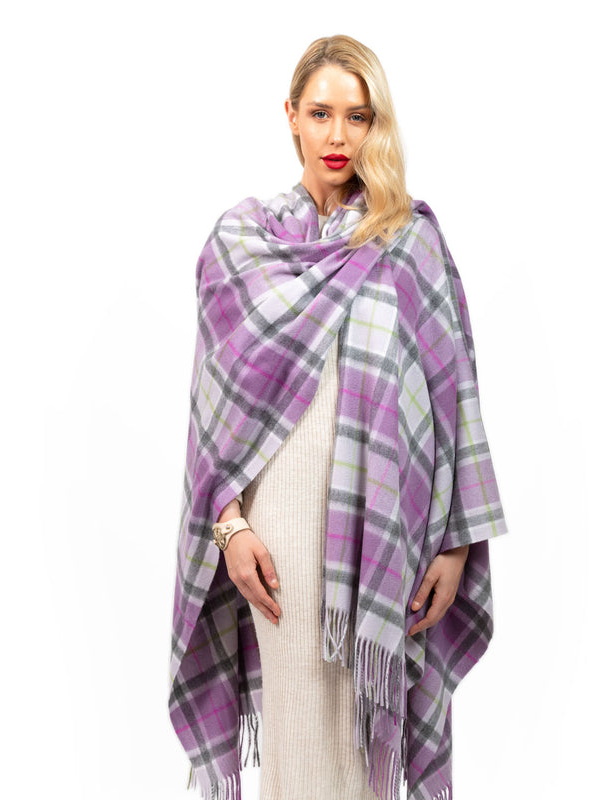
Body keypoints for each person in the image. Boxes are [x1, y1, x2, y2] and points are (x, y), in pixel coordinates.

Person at [169, 34, 509, 800]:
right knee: (297, 746)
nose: (338, 135)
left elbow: (455, 391)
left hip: (385, 528)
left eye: (358, 117)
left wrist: (457, 544)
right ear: (290, 115)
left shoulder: (408, 239)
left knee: (363, 750)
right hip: (277, 534)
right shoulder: (241, 245)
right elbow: (211, 414)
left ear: (375, 125)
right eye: (321, 113)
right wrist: (230, 528)